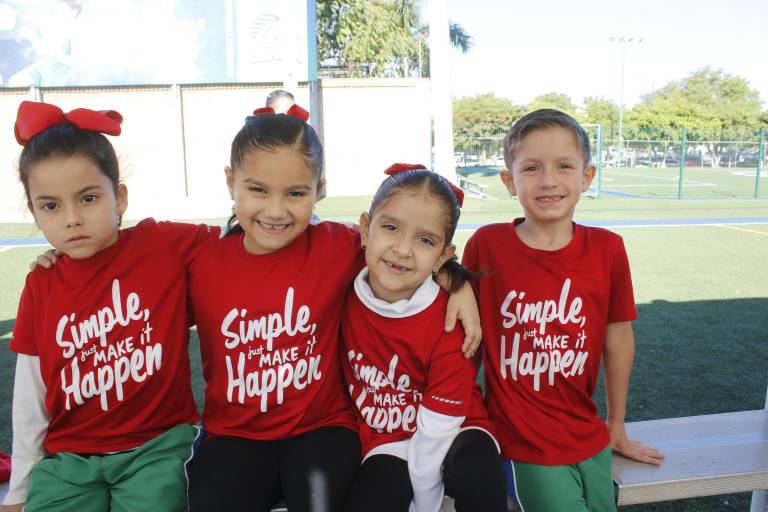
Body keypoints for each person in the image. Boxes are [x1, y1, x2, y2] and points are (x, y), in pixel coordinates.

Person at [185, 108, 481, 512]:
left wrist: (456, 281)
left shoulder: (337, 246)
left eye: (295, 193)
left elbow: (400, 253)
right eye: (257, 190)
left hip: (321, 427)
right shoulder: (198, 257)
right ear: (230, 182)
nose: (275, 211)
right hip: (235, 433)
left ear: (318, 190)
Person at [1, 101, 221, 512]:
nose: (71, 219)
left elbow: (240, 235)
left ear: (118, 197)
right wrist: (19, 489)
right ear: (33, 211)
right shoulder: (41, 282)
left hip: (158, 447)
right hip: (71, 459)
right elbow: (30, 395)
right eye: (50, 205)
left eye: (87, 198)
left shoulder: (162, 246)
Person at [462, 109, 665, 512]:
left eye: (564, 166)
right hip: (522, 440)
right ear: (509, 180)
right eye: (532, 168)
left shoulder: (608, 249)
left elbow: (619, 339)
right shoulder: (487, 245)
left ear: (586, 177)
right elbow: (467, 338)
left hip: (587, 433)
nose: (549, 180)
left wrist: (617, 426)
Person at [341, 164, 508, 512]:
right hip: (388, 438)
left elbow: (437, 428)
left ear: (443, 256)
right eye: (390, 228)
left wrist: (425, 503)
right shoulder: (340, 285)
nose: (402, 249)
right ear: (364, 230)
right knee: (373, 497)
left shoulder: (451, 317)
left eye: (425, 240)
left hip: (456, 425)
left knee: (480, 475)